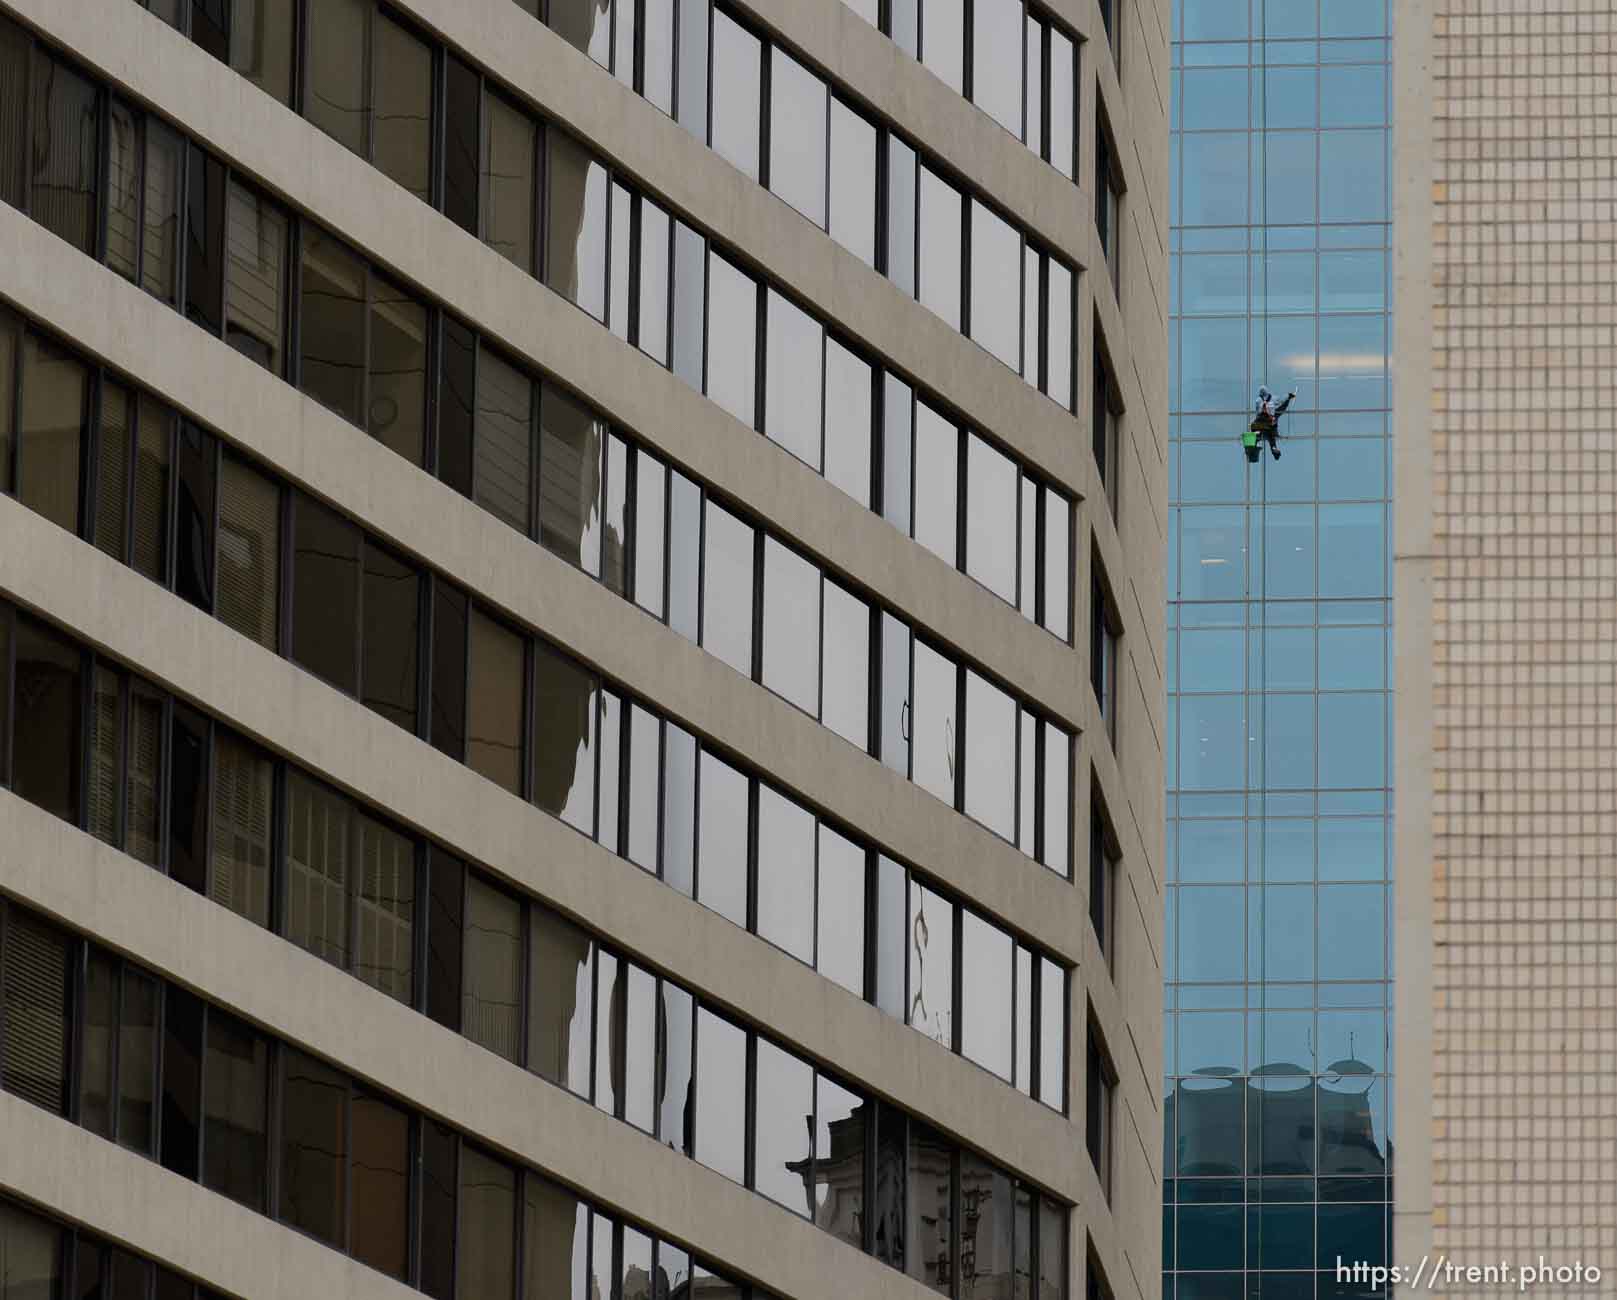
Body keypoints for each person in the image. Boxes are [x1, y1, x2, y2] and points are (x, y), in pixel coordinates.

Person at [1248, 387, 1295, 460]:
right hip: (1269, 427)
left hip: (1258, 426)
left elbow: (1257, 412)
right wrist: (1288, 396)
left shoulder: (1258, 400)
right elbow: (1282, 403)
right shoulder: (1273, 400)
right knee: (1271, 439)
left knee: (1256, 436)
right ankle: (1273, 448)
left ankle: (1253, 451)